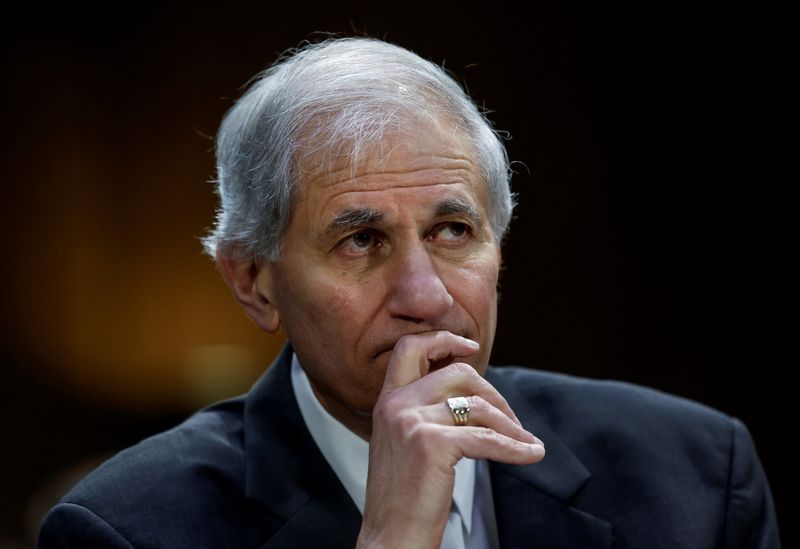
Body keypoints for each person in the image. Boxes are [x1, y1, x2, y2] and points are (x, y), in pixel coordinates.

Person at [38, 37, 779, 548]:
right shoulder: (125, 528)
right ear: (254, 281)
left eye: (454, 229)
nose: (424, 297)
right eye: (360, 241)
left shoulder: (696, 472)